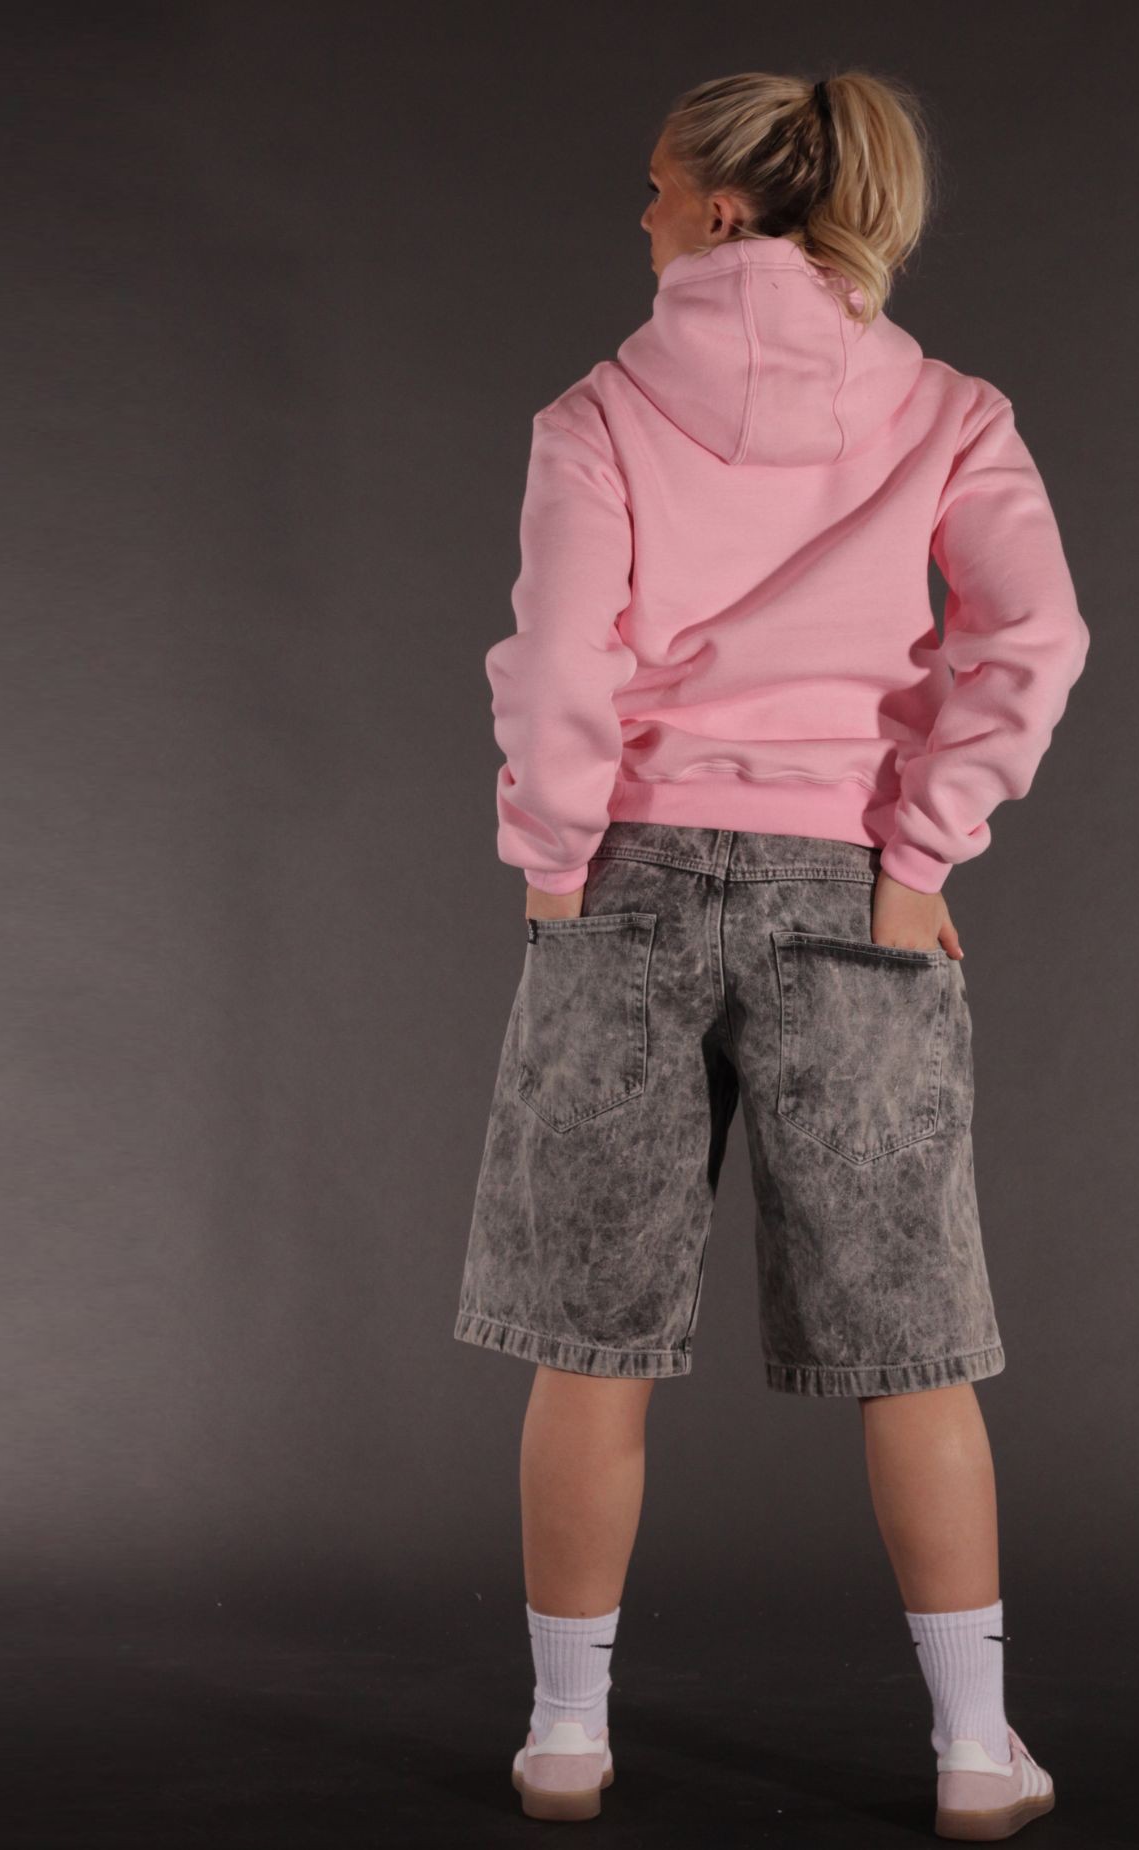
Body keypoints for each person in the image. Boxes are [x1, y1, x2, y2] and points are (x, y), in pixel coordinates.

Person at [455, 67, 1089, 1841]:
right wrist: (919, 854)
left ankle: (564, 1736)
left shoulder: (596, 413)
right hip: (852, 897)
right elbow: (1034, 636)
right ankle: (978, 1750)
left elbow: (561, 660)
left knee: (587, 1337)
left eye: (658, 190)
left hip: (629, 879)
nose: (643, 214)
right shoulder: (950, 410)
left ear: (723, 209)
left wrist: (555, 865)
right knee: (915, 1343)